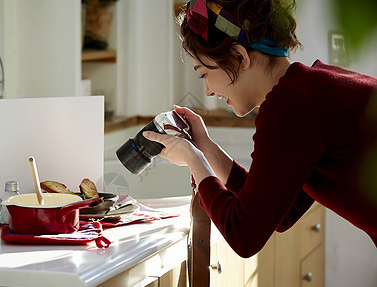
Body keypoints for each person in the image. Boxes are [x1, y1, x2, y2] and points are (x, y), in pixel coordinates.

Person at [143, 0, 377, 258]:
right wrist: (207, 149)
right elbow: (283, 214)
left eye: (203, 74)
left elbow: (244, 236)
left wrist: (193, 160)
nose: (207, 90)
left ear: (239, 56)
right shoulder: (312, 88)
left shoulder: (290, 106)